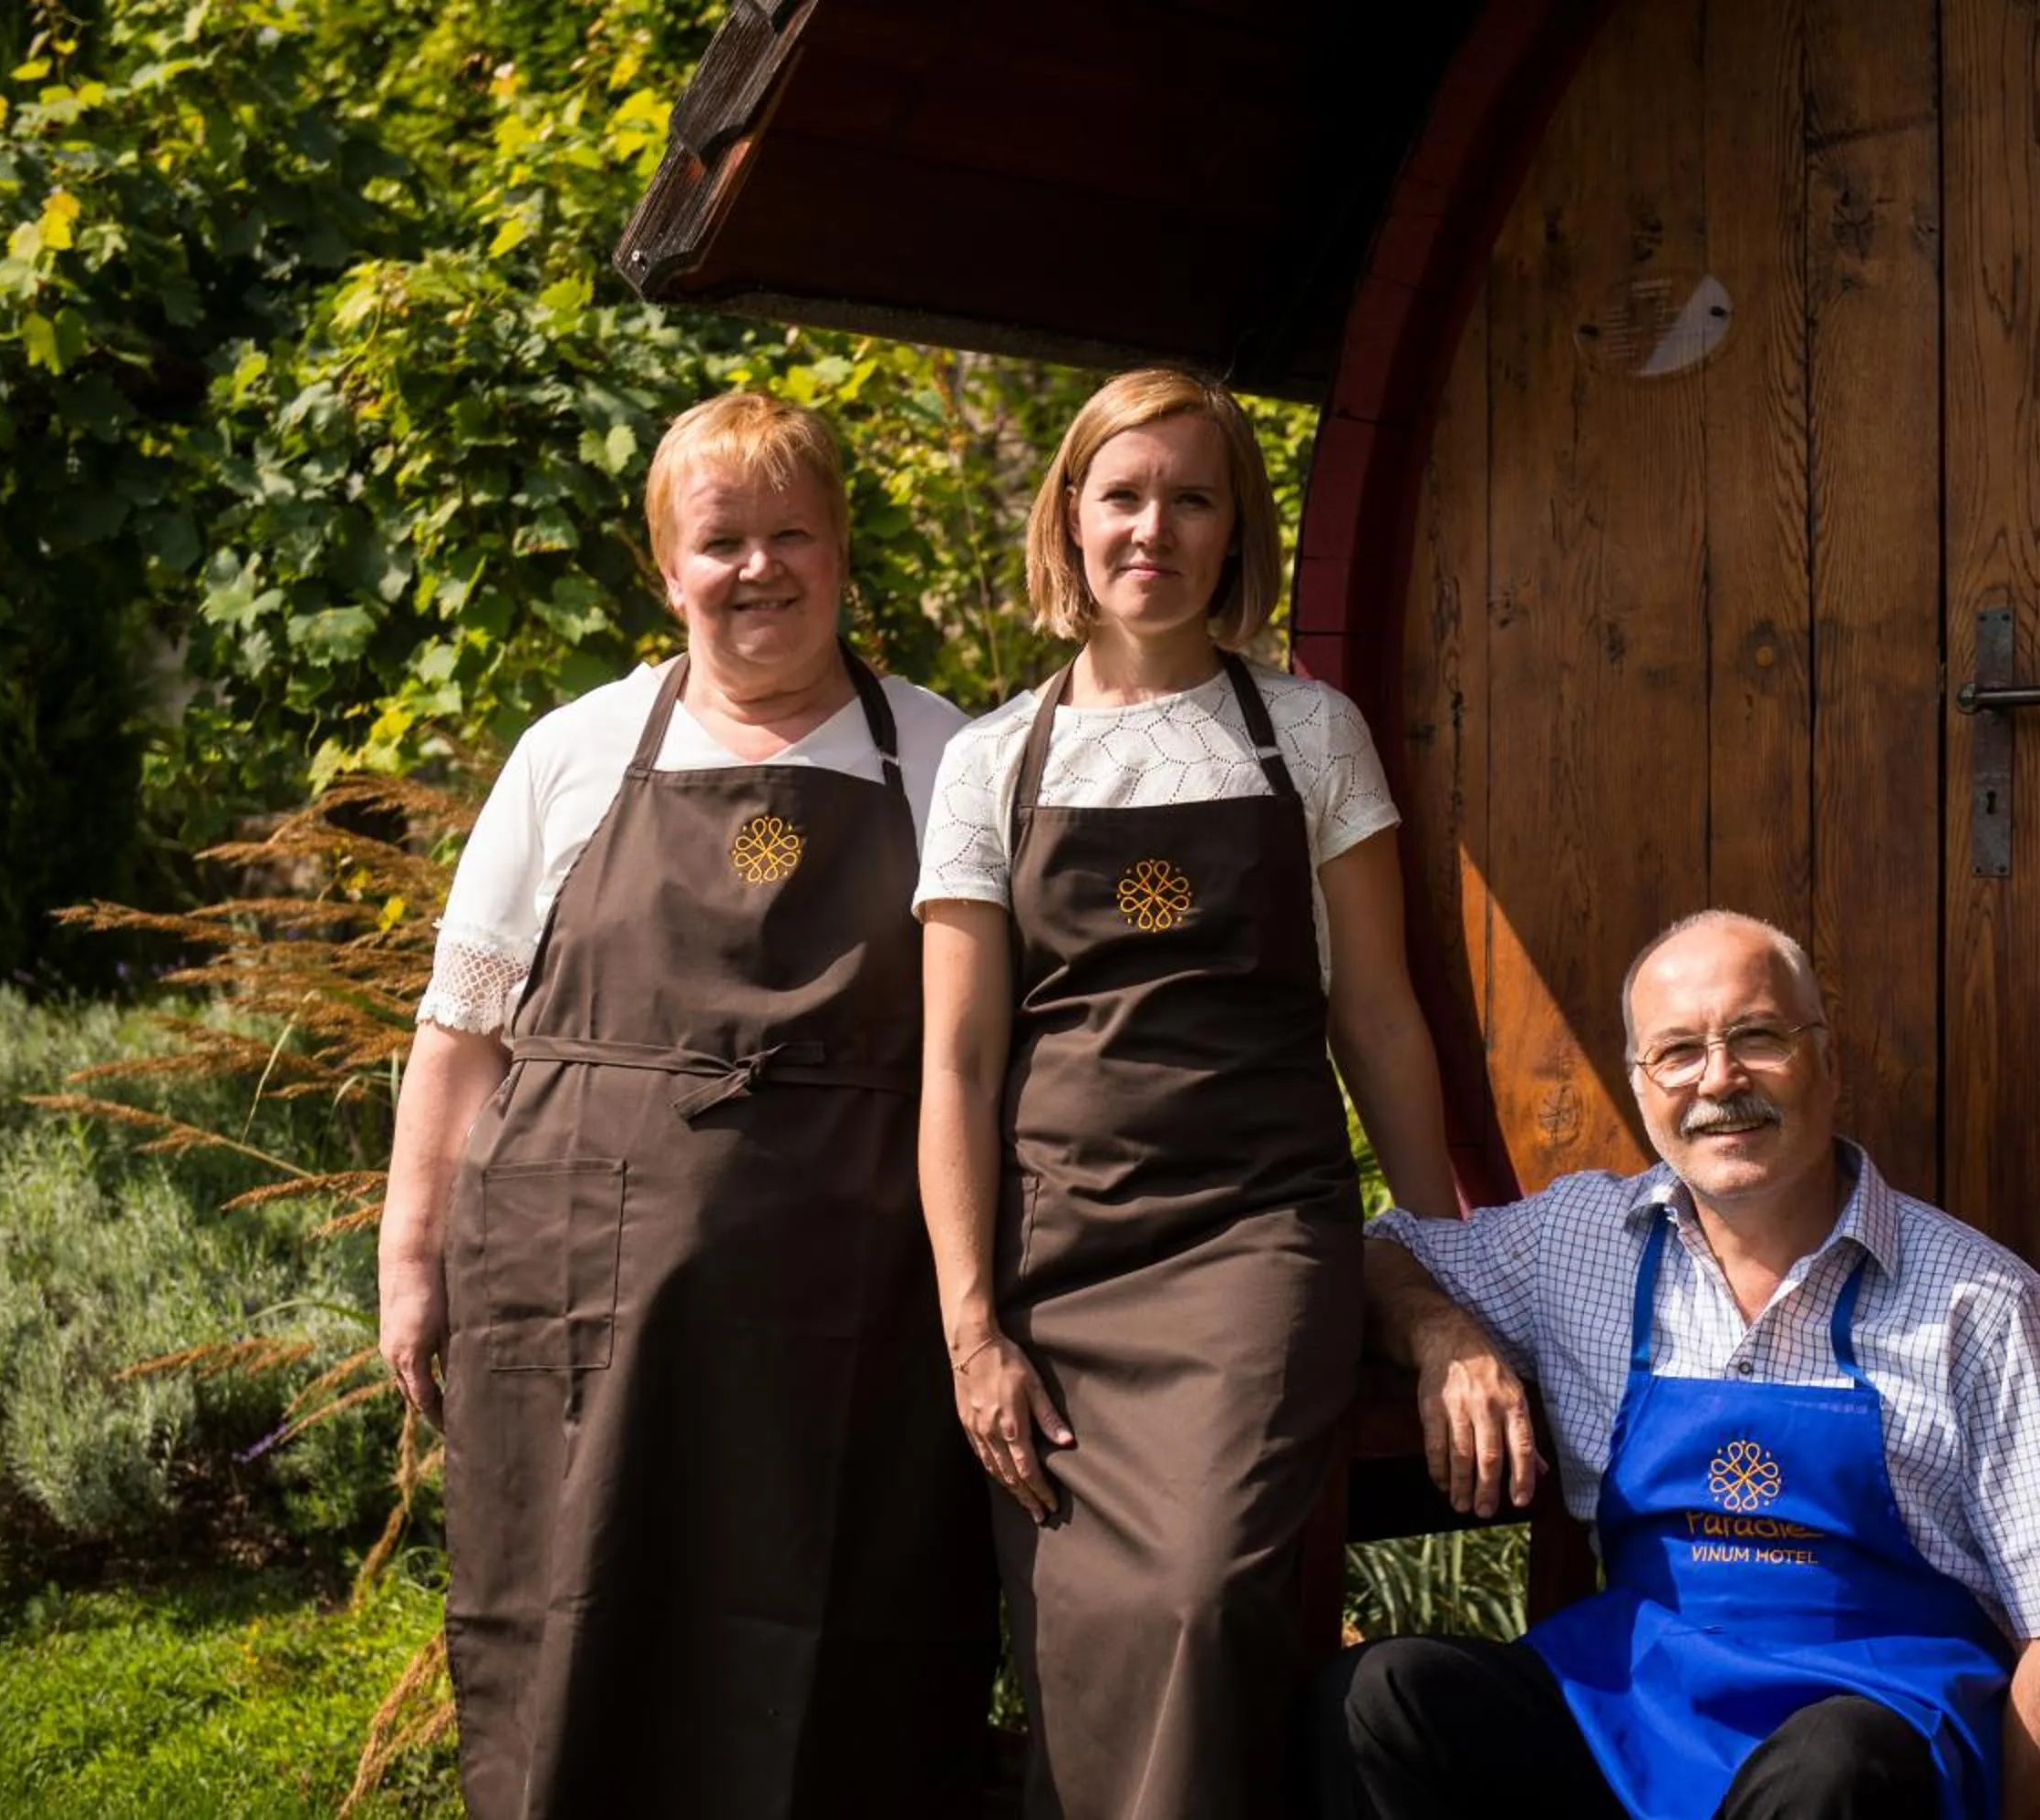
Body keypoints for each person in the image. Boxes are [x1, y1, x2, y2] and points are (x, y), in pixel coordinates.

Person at [375, 392, 996, 1820]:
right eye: (723, 541)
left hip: (860, 1310)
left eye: (794, 534)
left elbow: (993, 1038)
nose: (760, 569)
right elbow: (461, 1030)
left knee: (851, 1653)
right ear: (668, 568)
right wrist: (413, 1261)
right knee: (580, 1619)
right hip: (587, 1301)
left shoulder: (948, 753)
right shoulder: (572, 753)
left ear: (844, 551)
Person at [916, 367, 1455, 1819]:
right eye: (1124, 495)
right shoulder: (986, 765)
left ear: (1235, 533)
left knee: (1206, 1600)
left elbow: (1381, 1018)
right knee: (1076, 1630)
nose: (1153, 528)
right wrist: (973, 1329)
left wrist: (1445, 1253)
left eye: (1192, 497)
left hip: (1253, 1244)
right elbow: (958, 1069)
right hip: (1059, 1261)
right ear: (1070, 521)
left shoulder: (1309, 732)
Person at [1314, 909, 2040, 1820]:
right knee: (1382, 1696)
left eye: (1757, 1036)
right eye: (1679, 1051)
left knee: (1834, 1764)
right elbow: (1374, 1253)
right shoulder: (1579, 1241)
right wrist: (1445, 1334)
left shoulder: (1980, 1302)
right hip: (1634, 1717)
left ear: (1828, 1064)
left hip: (1863, 1742)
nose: (1719, 1079)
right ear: (1642, 1087)